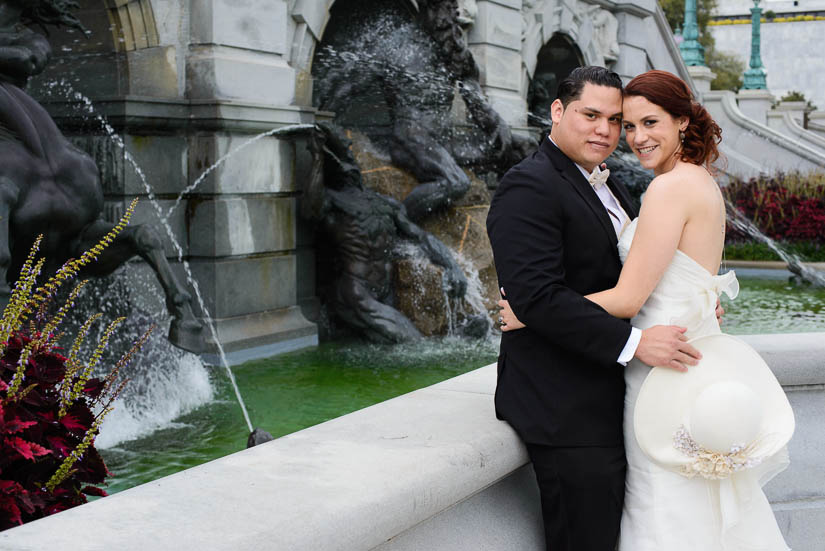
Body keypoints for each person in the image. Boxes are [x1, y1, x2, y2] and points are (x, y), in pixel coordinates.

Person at [498, 69, 792, 549]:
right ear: (557, 111)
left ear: (682, 122)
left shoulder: (659, 187)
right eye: (621, 123)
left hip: (657, 372)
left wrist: (530, 312)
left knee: (666, 509)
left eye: (636, 122)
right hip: (584, 394)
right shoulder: (534, 184)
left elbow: (630, 296)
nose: (626, 136)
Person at [485, 66, 708, 551]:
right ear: (558, 111)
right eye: (591, 115)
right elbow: (536, 295)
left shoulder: (611, 185)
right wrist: (635, 342)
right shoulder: (529, 186)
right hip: (565, 408)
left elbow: (635, 277)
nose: (606, 131)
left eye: (616, 120)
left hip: (612, 397)